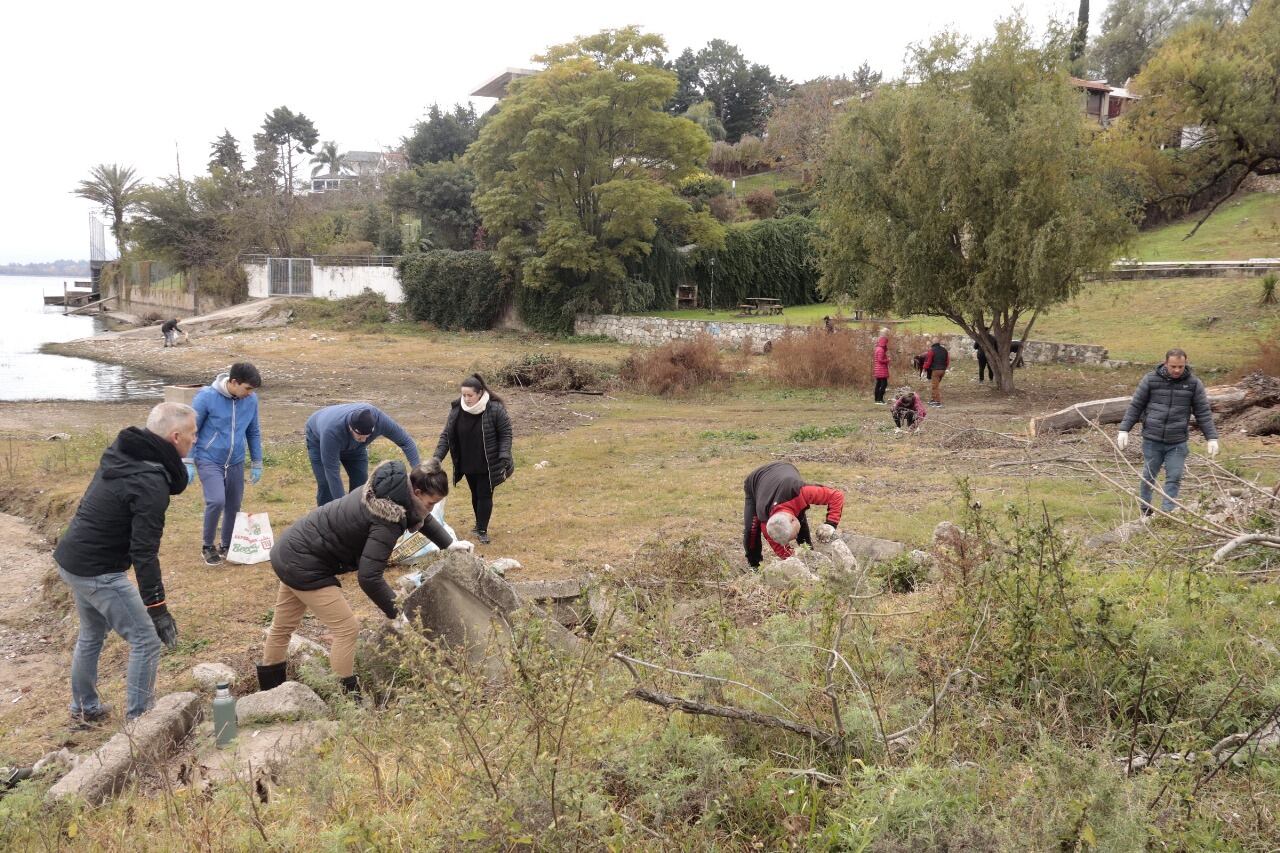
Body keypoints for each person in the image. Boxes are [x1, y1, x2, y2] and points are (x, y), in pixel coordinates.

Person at [258, 459, 474, 695]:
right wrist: (397, 613)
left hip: (292, 548)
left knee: (282, 627)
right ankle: (349, 700)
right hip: (305, 563)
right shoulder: (387, 521)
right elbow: (369, 577)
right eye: (431, 503)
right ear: (417, 492)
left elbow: (420, 517)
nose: (432, 509)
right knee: (347, 629)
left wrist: (449, 544)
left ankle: (271, 695)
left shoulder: (393, 492)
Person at [52, 403, 194, 726]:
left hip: (74, 558)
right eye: (193, 434)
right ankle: (140, 722)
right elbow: (144, 552)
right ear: (175, 437)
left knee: (91, 633)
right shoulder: (150, 482)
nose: (195, 440)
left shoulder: (126, 453)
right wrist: (158, 609)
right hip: (97, 569)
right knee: (146, 639)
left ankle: (84, 708)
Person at [1117, 348, 1220, 517]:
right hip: (1152, 439)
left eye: (1181, 366)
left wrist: (1212, 437)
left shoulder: (1194, 384)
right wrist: (1124, 429)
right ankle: (1145, 511)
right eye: (1173, 366)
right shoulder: (1150, 380)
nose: (1177, 370)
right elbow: (1136, 406)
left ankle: (1167, 514)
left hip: (1177, 441)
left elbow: (1203, 412)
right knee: (1148, 477)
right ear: (1166, 363)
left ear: (1185, 364)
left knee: (1174, 476)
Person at [190, 362, 263, 565]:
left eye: (252, 390)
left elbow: (253, 431)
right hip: (208, 458)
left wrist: (257, 461)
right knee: (216, 501)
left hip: (235, 460)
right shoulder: (206, 397)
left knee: (233, 505)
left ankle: (227, 544)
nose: (250, 393)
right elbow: (191, 429)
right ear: (233, 382)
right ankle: (207, 545)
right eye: (247, 388)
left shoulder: (251, 400)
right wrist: (187, 459)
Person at [432, 374, 514, 545]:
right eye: (464, 395)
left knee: (485, 494)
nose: (467, 399)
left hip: (488, 462)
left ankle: (482, 529)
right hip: (467, 461)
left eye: (470, 395)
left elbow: (505, 434)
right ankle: (478, 525)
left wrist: (504, 454)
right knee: (475, 494)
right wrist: (437, 457)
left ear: (480, 393)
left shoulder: (495, 409)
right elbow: (447, 435)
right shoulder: (456, 410)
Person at [305, 403, 421, 506]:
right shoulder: (332, 431)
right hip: (318, 441)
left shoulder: (380, 420)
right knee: (326, 485)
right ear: (351, 428)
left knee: (360, 484)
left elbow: (407, 442)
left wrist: (418, 472)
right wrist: (342, 508)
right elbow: (332, 471)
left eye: (368, 436)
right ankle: (327, 523)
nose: (364, 440)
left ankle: (357, 521)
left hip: (356, 450)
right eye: (360, 436)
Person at [742, 461, 845, 568]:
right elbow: (780, 548)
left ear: (792, 519)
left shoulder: (800, 491)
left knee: (800, 517)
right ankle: (755, 567)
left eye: (794, 535)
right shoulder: (766, 523)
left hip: (785, 469)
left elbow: (836, 496)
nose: (795, 537)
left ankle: (809, 553)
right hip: (755, 482)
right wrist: (794, 561)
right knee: (751, 530)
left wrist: (831, 524)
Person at [922, 337, 950, 407]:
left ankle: (937, 402)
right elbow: (947, 361)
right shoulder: (944, 350)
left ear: (933, 343)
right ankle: (933, 399)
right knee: (935, 385)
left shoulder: (932, 351)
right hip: (943, 370)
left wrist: (924, 369)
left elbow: (928, 362)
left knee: (935, 386)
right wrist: (944, 368)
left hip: (936, 370)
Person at [873, 327, 891, 404]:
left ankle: (877, 399)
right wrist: (888, 360)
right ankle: (880, 399)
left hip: (878, 370)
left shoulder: (877, 348)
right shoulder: (880, 350)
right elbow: (880, 360)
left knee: (878, 384)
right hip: (882, 370)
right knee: (883, 385)